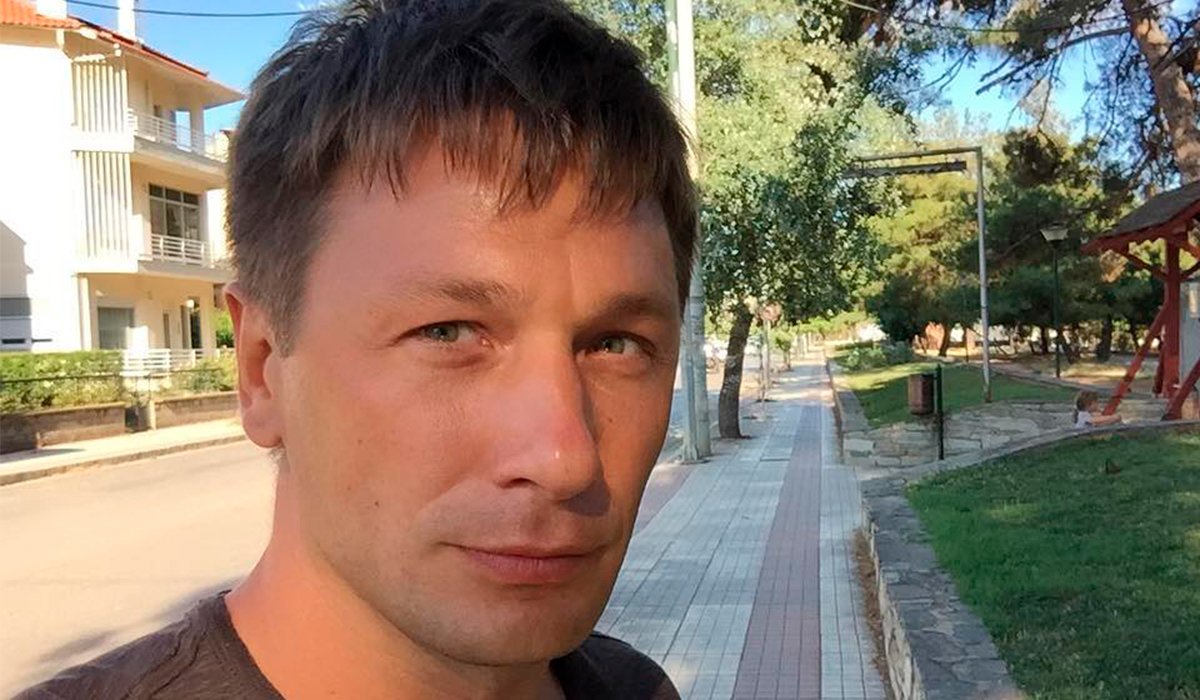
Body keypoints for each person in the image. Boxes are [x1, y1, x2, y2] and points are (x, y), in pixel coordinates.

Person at [19, 1, 695, 698]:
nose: (564, 460)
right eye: (447, 332)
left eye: (617, 345)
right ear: (260, 369)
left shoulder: (635, 689)